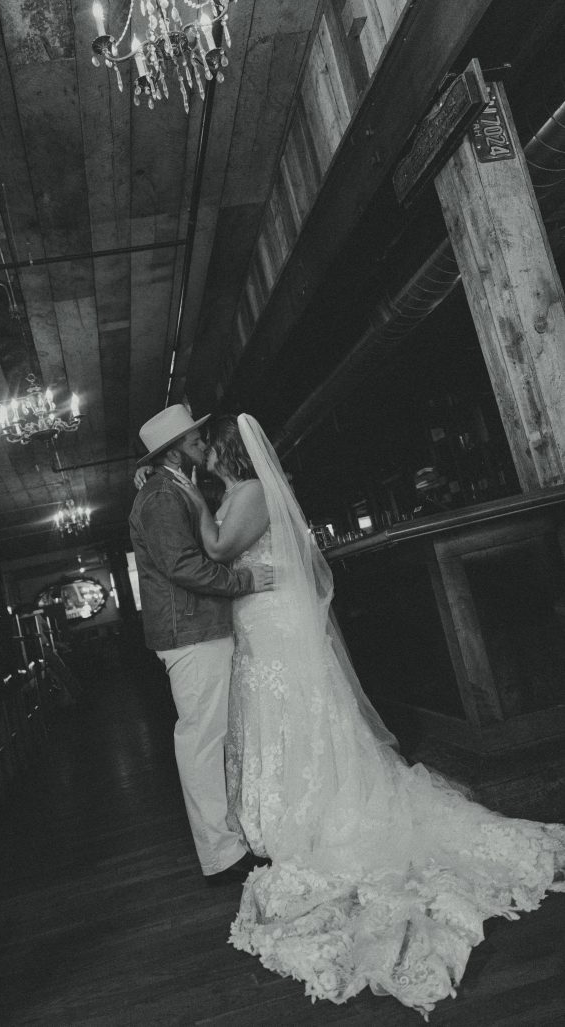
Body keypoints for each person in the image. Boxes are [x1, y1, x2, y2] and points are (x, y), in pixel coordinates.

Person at [169, 412, 565, 1020]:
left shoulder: (248, 493)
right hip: (260, 619)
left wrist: (195, 499)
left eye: (207, 448)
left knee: (300, 710)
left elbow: (219, 549)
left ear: (225, 453)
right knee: (281, 713)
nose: (202, 457)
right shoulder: (240, 492)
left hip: (275, 621)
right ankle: (291, 807)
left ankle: (323, 807)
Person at [129, 405, 273, 886]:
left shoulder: (170, 488)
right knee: (203, 743)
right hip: (190, 632)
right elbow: (184, 567)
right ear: (173, 449)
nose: (201, 440)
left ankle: (230, 842)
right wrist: (245, 580)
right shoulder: (160, 497)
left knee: (213, 738)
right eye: (193, 436)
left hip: (197, 629)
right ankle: (221, 856)